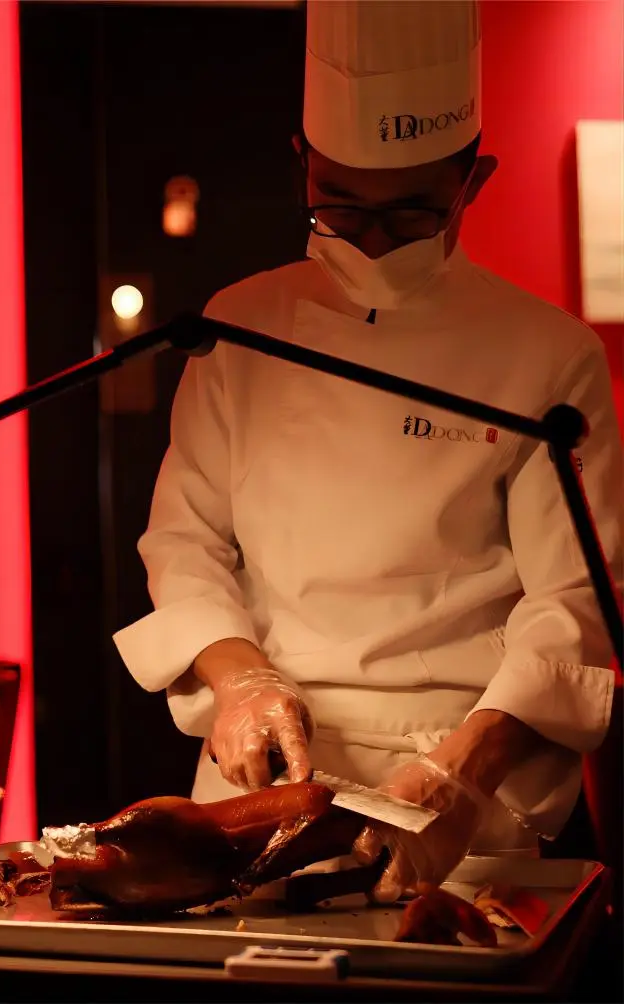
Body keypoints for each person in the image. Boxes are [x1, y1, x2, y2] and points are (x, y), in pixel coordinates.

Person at [114, 0, 622, 901]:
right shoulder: (235, 327)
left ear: (475, 178)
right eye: (341, 211)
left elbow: (573, 598)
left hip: (465, 783)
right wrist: (241, 684)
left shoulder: (548, 354)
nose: (375, 244)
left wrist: (466, 770)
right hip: (259, 783)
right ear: (304, 164)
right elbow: (185, 545)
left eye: (411, 215)